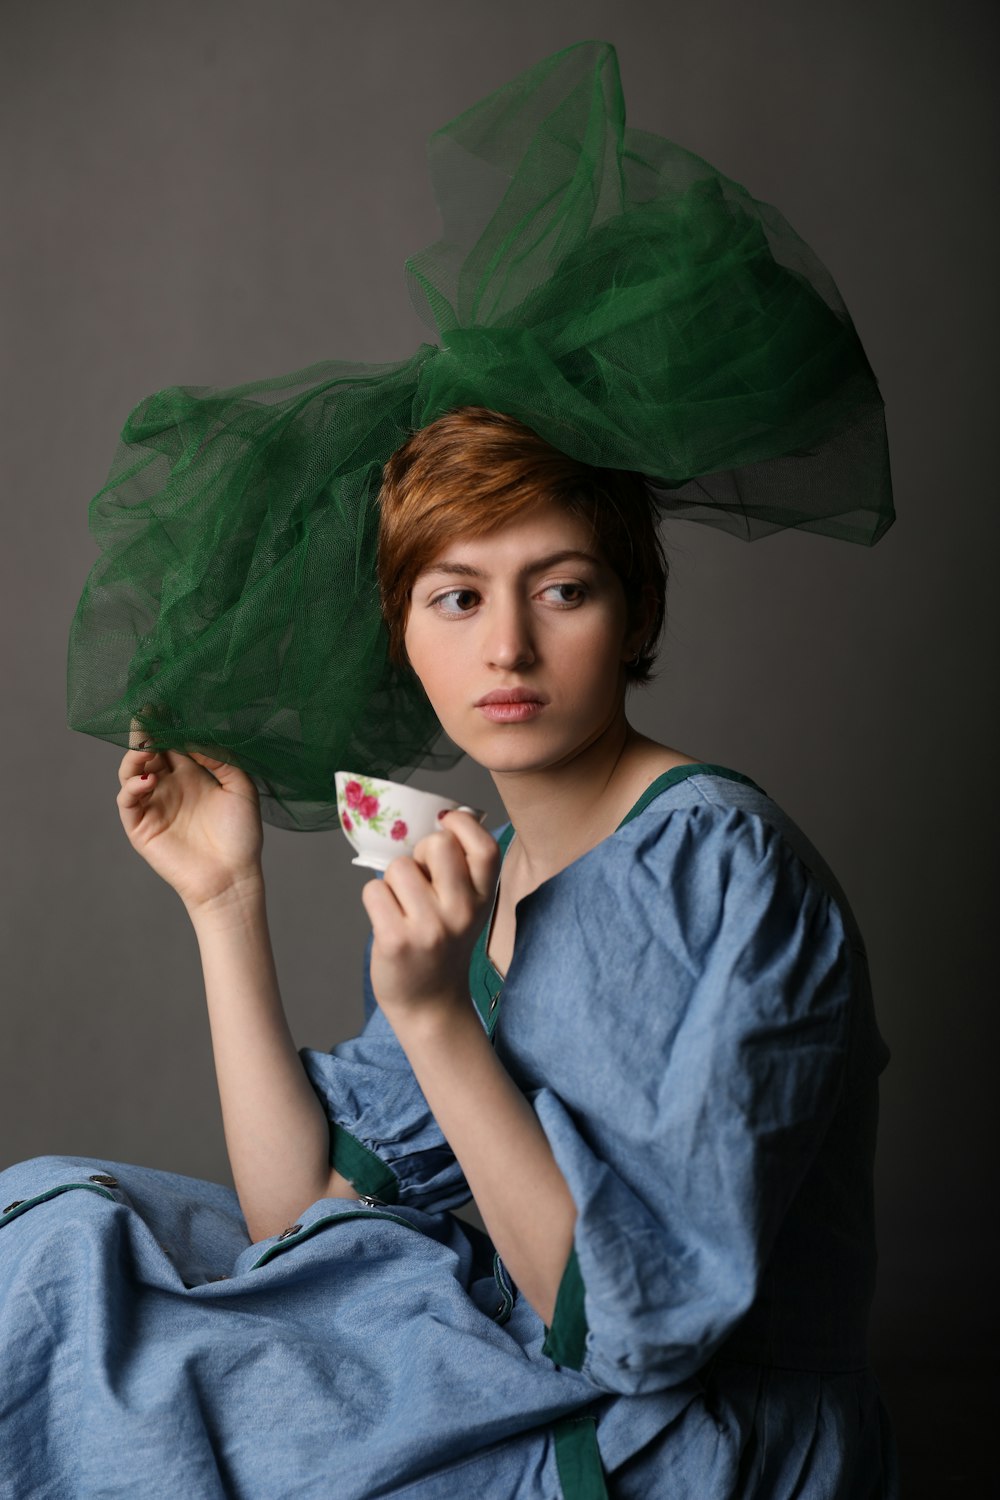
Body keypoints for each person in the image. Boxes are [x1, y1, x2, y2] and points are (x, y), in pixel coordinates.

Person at [0, 406, 897, 1496]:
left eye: (561, 589)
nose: (506, 646)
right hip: (538, 1378)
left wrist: (433, 1018)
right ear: (402, 630)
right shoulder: (505, 861)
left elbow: (634, 1333)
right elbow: (301, 1207)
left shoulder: (715, 861)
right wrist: (225, 899)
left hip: (679, 1447)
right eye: (457, 598)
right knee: (61, 1249)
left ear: (635, 608)